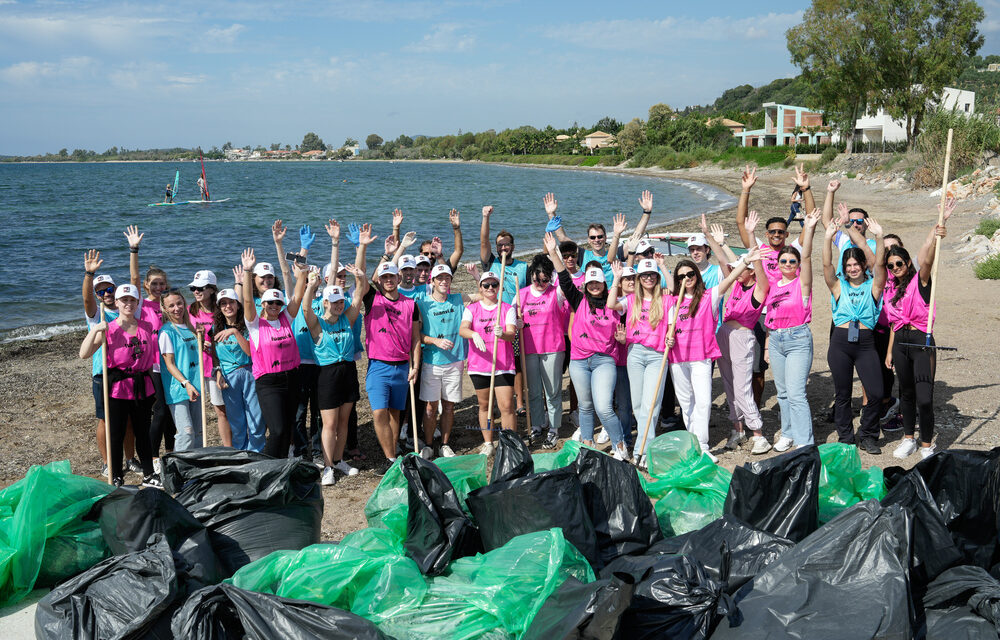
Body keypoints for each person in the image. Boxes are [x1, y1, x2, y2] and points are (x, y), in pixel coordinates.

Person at [664, 243, 754, 463]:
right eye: (682, 276)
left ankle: (702, 446)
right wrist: (668, 337)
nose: (687, 278)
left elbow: (730, 278)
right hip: (678, 359)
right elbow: (669, 330)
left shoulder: (709, 297)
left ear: (696, 275)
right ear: (678, 280)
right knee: (686, 404)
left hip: (701, 358)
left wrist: (746, 260)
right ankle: (692, 444)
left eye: (690, 273)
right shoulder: (672, 302)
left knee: (703, 402)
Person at [545, 233, 627, 456]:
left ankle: (620, 445)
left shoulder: (613, 302)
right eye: (590, 282)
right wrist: (553, 252)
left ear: (603, 283)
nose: (593, 286)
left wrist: (618, 277)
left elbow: (629, 318)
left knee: (604, 407)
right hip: (580, 361)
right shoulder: (579, 299)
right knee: (585, 407)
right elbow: (563, 277)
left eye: (597, 282)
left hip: (604, 361)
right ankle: (588, 446)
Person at [78, 284, 159, 488]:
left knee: (143, 431)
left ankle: (149, 474)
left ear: (137, 302)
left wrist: (156, 389)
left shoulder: (146, 327)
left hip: (142, 385)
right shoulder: (109, 328)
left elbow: (149, 362)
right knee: (116, 433)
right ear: (117, 303)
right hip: (117, 388)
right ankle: (115, 475)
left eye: (132, 300)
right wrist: (96, 329)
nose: (128, 304)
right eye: (124, 300)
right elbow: (84, 353)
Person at [888, 204, 953, 459]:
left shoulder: (921, 281)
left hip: (921, 340)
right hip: (900, 342)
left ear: (907, 263)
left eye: (899, 263)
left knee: (924, 397)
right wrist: (890, 350)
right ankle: (908, 439)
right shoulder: (891, 289)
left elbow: (927, 258)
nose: (895, 268)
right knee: (905, 392)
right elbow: (893, 323)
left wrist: (937, 232)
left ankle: (927, 445)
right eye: (891, 265)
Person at [357, 224, 421, 475]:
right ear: (380, 281)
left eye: (392, 277)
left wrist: (414, 366)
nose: (389, 280)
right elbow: (361, 275)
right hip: (379, 366)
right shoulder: (373, 299)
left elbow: (416, 339)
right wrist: (365, 246)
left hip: (402, 367)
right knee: (379, 411)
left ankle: (393, 454)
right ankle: (388, 458)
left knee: (396, 414)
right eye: (384, 277)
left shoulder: (411, 304)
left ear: (398, 278)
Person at [823, 210, 888, 453]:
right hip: (840, 343)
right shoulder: (838, 286)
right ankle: (846, 437)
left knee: (876, 391)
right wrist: (828, 238)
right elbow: (826, 265)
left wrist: (879, 237)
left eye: (856, 264)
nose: (852, 268)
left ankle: (868, 434)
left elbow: (880, 264)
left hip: (865, 343)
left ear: (862, 266)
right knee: (842, 394)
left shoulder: (874, 286)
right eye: (848, 265)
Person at [302, 258, 366, 485]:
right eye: (334, 301)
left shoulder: (347, 319)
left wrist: (360, 277)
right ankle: (328, 466)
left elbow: (358, 297)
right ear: (326, 302)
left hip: (348, 371)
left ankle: (339, 460)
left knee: (343, 422)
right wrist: (310, 286)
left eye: (341, 301)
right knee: (329, 424)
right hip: (327, 375)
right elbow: (305, 308)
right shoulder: (317, 324)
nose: (339, 305)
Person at [240, 247, 308, 458]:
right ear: (263, 303)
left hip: (292, 378)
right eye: (270, 302)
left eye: (278, 302)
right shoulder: (255, 325)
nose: (274, 306)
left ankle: (282, 466)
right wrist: (247, 272)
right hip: (269, 383)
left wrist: (303, 271)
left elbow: (297, 296)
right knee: (277, 430)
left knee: (288, 428)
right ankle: (266, 465)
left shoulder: (286, 318)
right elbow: (248, 302)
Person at [764, 209, 822, 452]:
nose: (788, 264)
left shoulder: (802, 283)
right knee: (783, 392)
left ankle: (804, 441)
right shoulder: (773, 285)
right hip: (776, 339)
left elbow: (807, 257)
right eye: (784, 261)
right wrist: (768, 346)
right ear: (778, 264)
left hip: (798, 338)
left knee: (797, 393)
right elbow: (770, 317)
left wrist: (808, 228)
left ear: (797, 265)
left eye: (792, 261)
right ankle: (787, 433)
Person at [607, 258, 669, 461]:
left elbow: (676, 288)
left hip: (657, 355)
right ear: (639, 279)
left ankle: (643, 450)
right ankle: (642, 446)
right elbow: (610, 304)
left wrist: (663, 266)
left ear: (657, 277)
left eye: (652, 275)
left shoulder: (666, 298)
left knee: (651, 404)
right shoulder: (632, 299)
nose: (648, 278)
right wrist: (616, 278)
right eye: (644, 275)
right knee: (638, 406)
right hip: (635, 353)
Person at [82, 251, 137, 475]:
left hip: (128, 372)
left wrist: (133, 251)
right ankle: (107, 463)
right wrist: (89, 274)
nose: (105, 293)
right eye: (100, 291)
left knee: (129, 420)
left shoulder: (126, 307)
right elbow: (86, 299)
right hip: (103, 372)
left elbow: (135, 284)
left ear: (115, 291)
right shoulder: (96, 314)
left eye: (108, 289)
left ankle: (130, 459)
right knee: (105, 419)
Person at [460, 270, 520, 453]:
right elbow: (463, 329)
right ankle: (488, 443)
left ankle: (510, 443)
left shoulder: (507, 308)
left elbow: (512, 334)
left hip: (502, 365)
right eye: (486, 285)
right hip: (479, 365)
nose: (490, 288)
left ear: (499, 287)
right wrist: (474, 334)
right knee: (485, 405)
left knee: (507, 406)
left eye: (494, 284)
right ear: (480, 287)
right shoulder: (472, 309)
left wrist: (504, 333)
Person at [545, 189, 656, 285]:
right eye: (593, 237)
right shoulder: (583, 255)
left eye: (599, 236)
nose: (596, 240)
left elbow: (636, 236)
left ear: (605, 237)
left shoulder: (617, 253)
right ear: (588, 240)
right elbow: (563, 238)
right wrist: (551, 214)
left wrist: (647, 212)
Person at [480, 205, 529, 416]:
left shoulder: (523, 267)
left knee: (516, 361)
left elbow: (528, 293)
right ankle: (494, 401)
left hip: (513, 319)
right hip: (492, 317)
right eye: (500, 245)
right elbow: (484, 242)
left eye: (507, 245)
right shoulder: (491, 263)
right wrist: (485, 218)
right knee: (493, 359)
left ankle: (519, 402)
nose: (503, 248)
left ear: (513, 246)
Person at [417, 264, 470, 459]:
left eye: (447, 278)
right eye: (439, 278)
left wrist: (475, 275)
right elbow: (418, 336)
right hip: (432, 362)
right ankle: (429, 444)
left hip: (455, 362)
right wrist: (435, 341)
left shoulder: (457, 300)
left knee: (448, 406)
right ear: (432, 281)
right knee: (431, 407)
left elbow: (484, 296)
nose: (443, 281)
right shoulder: (423, 304)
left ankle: (445, 444)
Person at [519, 254, 569, 449]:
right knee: (533, 390)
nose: (540, 283)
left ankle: (554, 428)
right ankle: (538, 424)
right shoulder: (521, 294)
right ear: (531, 275)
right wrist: (516, 322)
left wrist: (554, 253)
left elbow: (566, 281)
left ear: (551, 277)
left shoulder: (557, 293)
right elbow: (508, 317)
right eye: (536, 279)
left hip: (553, 348)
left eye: (545, 279)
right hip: (530, 348)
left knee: (553, 390)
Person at [210, 288, 263, 452]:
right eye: (223, 304)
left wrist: (234, 331)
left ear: (238, 305)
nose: (227, 306)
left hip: (249, 372)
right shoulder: (215, 328)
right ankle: (240, 452)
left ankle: (256, 452)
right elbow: (215, 356)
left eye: (231, 302)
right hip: (228, 376)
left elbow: (249, 351)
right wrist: (218, 372)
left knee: (255, 417)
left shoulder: (248, 325)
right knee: (236, 419)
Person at [188, 269, 231, 446]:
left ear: (212, 289)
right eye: (193, 288)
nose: (196, 292)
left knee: (221, 410)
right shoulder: (191, 310)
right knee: (195, 411)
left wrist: (213, 343)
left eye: (201, 288)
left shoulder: (221, 310)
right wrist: (197, 341)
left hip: (216, 366)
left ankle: (229, 448)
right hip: (196, 366)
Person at [158, 289, 204, 451]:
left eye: (179, 303)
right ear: (164, 308)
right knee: (186, 432)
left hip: (196, 384)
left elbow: (193, 352)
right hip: (178, 388)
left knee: (198, 432)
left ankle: (196, 470)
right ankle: (177, 469)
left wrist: (202, 338)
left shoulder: (190, 327)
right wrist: (186, 383)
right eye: (171, 306)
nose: (176, 308)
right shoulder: (166, 332)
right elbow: (169, 364)